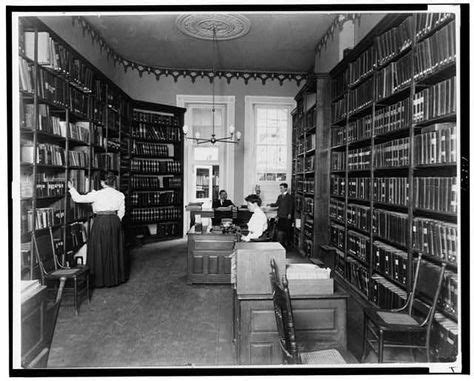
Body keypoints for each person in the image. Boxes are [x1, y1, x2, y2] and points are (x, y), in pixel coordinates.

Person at [67, 172, 128, 288]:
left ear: (101, 182)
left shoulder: (97, 194)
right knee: (114, 248)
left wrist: (71, 188)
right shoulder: (120, 195)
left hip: (101, 221)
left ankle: (100, 280)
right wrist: (115, 221)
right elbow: (121, 212)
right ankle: (115, 278)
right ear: (113, 182)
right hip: (115, 222)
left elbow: (78, 199)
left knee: (99, 249)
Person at [268, 182, 293, 248]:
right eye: (280, 188)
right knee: (279, 230)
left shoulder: (289, 197)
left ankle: (286, 244)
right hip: (280, 216)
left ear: (285, 188)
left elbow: (291, 206)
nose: (280, 189)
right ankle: (280, 244)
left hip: (286, 217)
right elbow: (276, 204)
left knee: (286, 230)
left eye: (281, 188)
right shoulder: (279, 196)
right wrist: (270, 204)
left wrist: (290, 214)